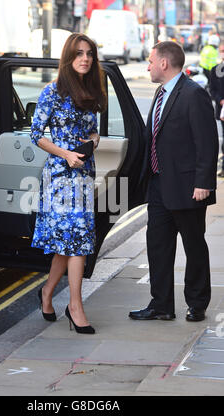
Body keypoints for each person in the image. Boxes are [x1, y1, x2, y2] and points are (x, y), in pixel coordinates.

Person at [129, 41, 218, 323]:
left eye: (151, 61)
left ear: (164, 63)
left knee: (193, 246)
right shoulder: (160, 92)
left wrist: (204, 182)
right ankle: (161, 305)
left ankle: (197, 303)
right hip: (158, 185)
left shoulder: (193, 94)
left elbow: (207, 142)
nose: (148, 66)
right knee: (157, 246)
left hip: (189, 188)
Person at [30, 33, 107, 334]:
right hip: (61, 178)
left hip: (84, 174)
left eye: (89, 53)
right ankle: (75, 306)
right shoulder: (53, 91)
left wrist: (93, 141)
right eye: (79, 53)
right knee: (78, 242)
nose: (85, 58)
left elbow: (94, 132)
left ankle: (47, 293)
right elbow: (36, 134)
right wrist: (65, 154)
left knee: (69, 243)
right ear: (68, 57)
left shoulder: (91, 91)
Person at [210, 41, 224, 178]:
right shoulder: (216, 69)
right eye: (222, 50)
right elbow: (212, 89)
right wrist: (220, 100)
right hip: (222, 110)